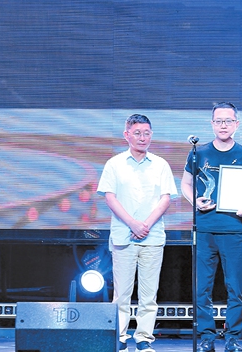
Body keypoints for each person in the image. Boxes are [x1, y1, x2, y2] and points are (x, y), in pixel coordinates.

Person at [98, 113, 178, 352]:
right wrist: (133, 223)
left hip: (152, 238)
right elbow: (110, 198)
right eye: (137, 133)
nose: (142, 138)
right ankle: (120, 338)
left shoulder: (161, 164)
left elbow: (166, 199)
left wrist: (146, 225)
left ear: (151, 135)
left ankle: (144, 338)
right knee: (121, 294)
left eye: (146, 133)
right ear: (127, 135)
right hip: (124, 236)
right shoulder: (114, 164)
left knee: (148, 294)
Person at [182, 102, 242, 352]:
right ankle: (206, 336)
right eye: (218, 121)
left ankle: (232, 337)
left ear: (237, 123)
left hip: (235, 228)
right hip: (205, 228)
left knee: (235, 287)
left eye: (228, 121)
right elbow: (185, 184)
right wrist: (195, 201)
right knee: (202, 287)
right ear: (212, 123)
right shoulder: (198, 152)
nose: (223, 125)